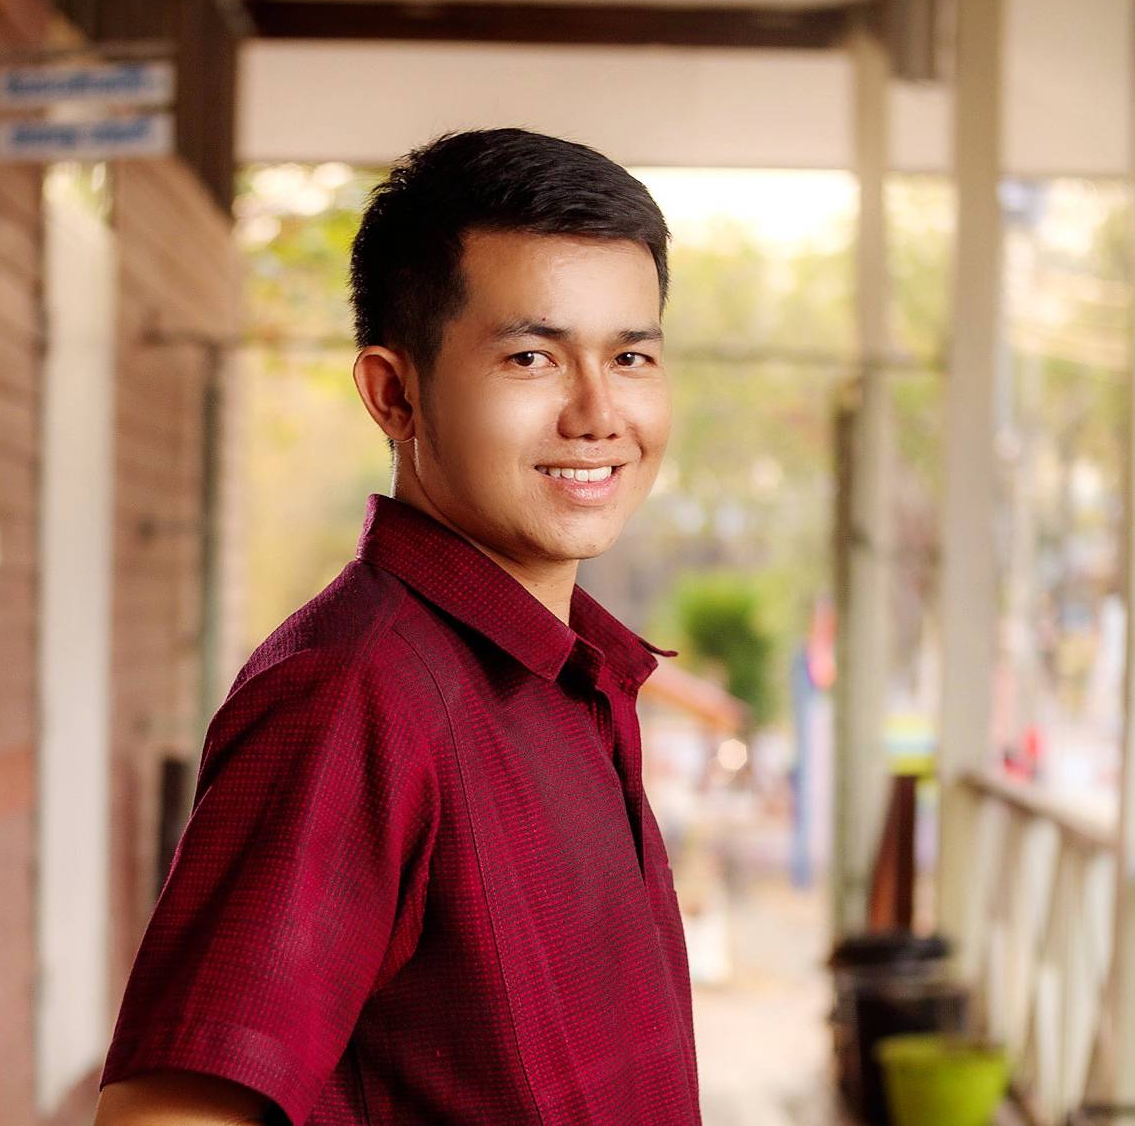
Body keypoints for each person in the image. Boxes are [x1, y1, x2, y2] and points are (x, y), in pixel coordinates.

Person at [95, 127, 701, 1125]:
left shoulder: (579, 673)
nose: (598, 413)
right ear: (394, 393)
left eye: (630, 356)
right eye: (531, 357)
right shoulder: (353, 695)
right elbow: (165, 1115)